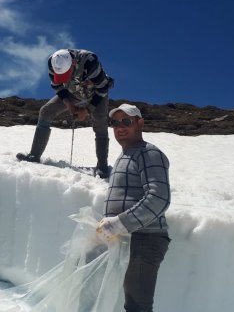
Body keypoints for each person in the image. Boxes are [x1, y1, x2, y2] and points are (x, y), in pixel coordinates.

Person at [96, 104, 171, 312]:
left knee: (137, 306)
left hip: (145, 239)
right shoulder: (124, 156)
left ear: (140, 123)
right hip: (124, 238)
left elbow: (159, 198)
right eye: (115, 123)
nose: (120, 127)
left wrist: (120, 223)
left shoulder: (148, 153)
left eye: (126, 121)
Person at [16, 48, 114, 178]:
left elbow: (102, 88)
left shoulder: (90, 62)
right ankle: (34, 155)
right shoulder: (52, 63)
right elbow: (57, 86)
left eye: (66, 74)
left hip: (97, 94)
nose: (64, 78)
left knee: (100, 123)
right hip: (73, 92)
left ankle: (102, 166)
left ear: (73, 63)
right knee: (46, 111)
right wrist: (68, 103)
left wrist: (88, 110)